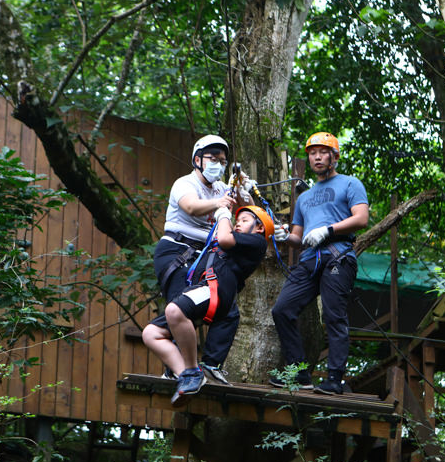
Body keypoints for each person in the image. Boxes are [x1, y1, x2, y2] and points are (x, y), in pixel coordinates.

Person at [143, 205, 274, 406]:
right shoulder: (236, 242)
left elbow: (225, 238)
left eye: (244, 220)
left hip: (217, 290)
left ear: (259, 228)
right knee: (151, 334)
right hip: (204, 290)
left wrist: (223, 214)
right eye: (237, 221)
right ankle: (185, 375)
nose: (238, 224)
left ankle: (192, 372)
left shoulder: (257, 242)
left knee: (174, 310)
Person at [269, 132, 369, 395]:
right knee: (282, 309)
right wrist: (284, 236)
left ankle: (334, 379)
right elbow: (298, 238)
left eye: (323, 152)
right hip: (309, 259)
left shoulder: (350, 183)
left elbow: (361, 218)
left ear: (334, 157)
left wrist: (328, 229)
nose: (317, 157)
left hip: (338, 255)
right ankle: (300, 373)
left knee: (334, 316)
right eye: (313, 153)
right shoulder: (304, 198)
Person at [151, 134, 253, 385]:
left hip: (206, 255)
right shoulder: (184, 183)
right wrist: (220, 204)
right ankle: (177, 369)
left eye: (222, 161)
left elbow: (247, 211)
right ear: (198, 160)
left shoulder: (221, 187)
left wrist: (245, 190)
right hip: (177, 250)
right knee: (182, 303)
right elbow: (191, 207)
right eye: (212, 159)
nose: (218, 164)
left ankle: (210, 365)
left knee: (226, 304)